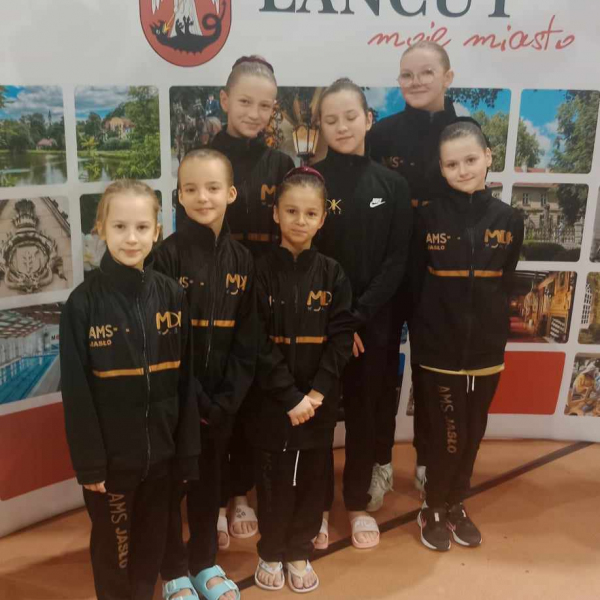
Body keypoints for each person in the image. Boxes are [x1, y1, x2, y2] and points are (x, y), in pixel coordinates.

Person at [60, 180, 200, 600]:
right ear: (100, 228)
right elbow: (77, 395)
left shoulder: (172, 295)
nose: (131, 238)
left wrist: (186, 452)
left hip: (162, 460)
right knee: (114, 556)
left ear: (157, 230)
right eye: (120, 226)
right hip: (111, 468)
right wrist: (90, 465)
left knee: (150, 551)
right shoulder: (82, 305)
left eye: (141, 227)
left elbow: (185, 382)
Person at [410, 120, 524, 551]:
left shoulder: (510, 219)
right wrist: (429, 330)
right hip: (439, 350)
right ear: (441, 168)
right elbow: (415, 283)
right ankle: (433, 506)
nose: (462, 170)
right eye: (452, 164)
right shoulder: (426, 217)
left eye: (471, 160)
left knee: (473, 432)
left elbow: (505, 280)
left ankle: (456, 502)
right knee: (449, 434)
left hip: (487, 350)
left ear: (488, 157)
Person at [313, 78, 412, 549]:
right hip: (319, 323)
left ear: (368, 119)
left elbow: (396, 260)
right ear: (320, 126)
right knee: (316, 418)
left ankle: (355, 504)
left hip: (371, 325)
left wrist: (356, 317)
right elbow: (303, 253)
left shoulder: (393, 185)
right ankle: (315, 507)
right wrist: (334, 320)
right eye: (331, 119)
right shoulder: (308, 181)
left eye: (350, 117)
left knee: (364, 414)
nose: (342, 126)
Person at [155, 149, 256, 600]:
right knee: (170, 485)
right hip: (178, 401)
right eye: (191, 188)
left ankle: (203, 562)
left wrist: (227, 399)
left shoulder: (243, 260)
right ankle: (173, 569)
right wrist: (193, 397)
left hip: (220, 404)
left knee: (209, 482)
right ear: (178, 195)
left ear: (230, 193)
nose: (202, 197)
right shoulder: (165, 258)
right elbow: (165, 341)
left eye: (213, 188)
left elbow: (248, 338)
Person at [249, 166, 354, 593]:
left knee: (312, 479)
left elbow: (341, 339)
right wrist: (289, 396)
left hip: (317, 404)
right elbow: (254, 341)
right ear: (275, 214)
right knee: (272, 481)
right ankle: (271, 550)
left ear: (322, 219)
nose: (299, 220)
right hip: (272, 404)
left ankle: (298, 550)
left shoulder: (334, 274)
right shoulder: (258, 272)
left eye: (310, 213)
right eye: (291, 211)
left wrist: (316, 393)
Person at [368, 40, 458, 505]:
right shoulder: (381, 134)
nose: (416, 82)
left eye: (426, 73)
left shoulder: (464, 132)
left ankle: (427, 463)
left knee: (431, 373)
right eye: (407, 74)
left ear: (448, 77)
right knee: (381, 372)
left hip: (440, 276)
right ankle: (378, 463)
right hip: (388, 270)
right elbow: (368, 198)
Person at [211, 55, 295, 548]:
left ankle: (241, 494)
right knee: (216, 400)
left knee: (251, 400)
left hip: (261, 301)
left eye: (265, 106)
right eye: (244, 101)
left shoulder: (281, 165)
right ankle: (214, 497)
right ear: (225, 100)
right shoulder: (203, 158)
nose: (254, 113)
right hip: (213, 300)